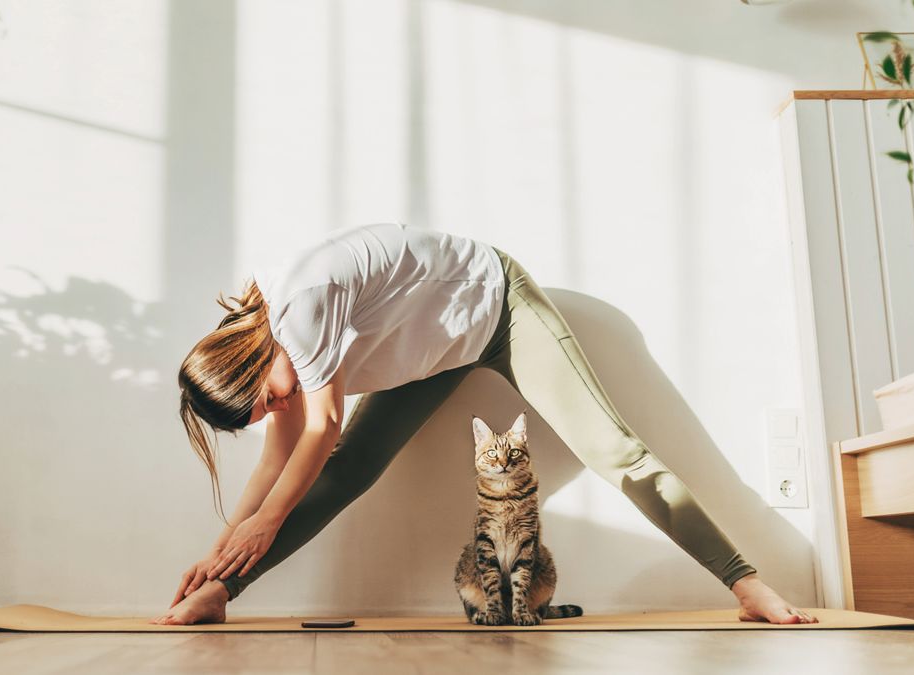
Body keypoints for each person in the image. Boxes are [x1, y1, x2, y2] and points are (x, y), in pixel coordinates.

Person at [151, 223, 817, 626]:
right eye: (261, 413)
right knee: (347, 471)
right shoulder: (278, 354)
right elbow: (277, 464)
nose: (271, 412)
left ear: (250, 358)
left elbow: (318, 430)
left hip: (498, 307)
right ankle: (218, 596)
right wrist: (219, 559)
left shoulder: (300, 305)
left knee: (615, 452)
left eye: (263, 401)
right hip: (433, 355)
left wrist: (259, 526)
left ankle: (746, 581)